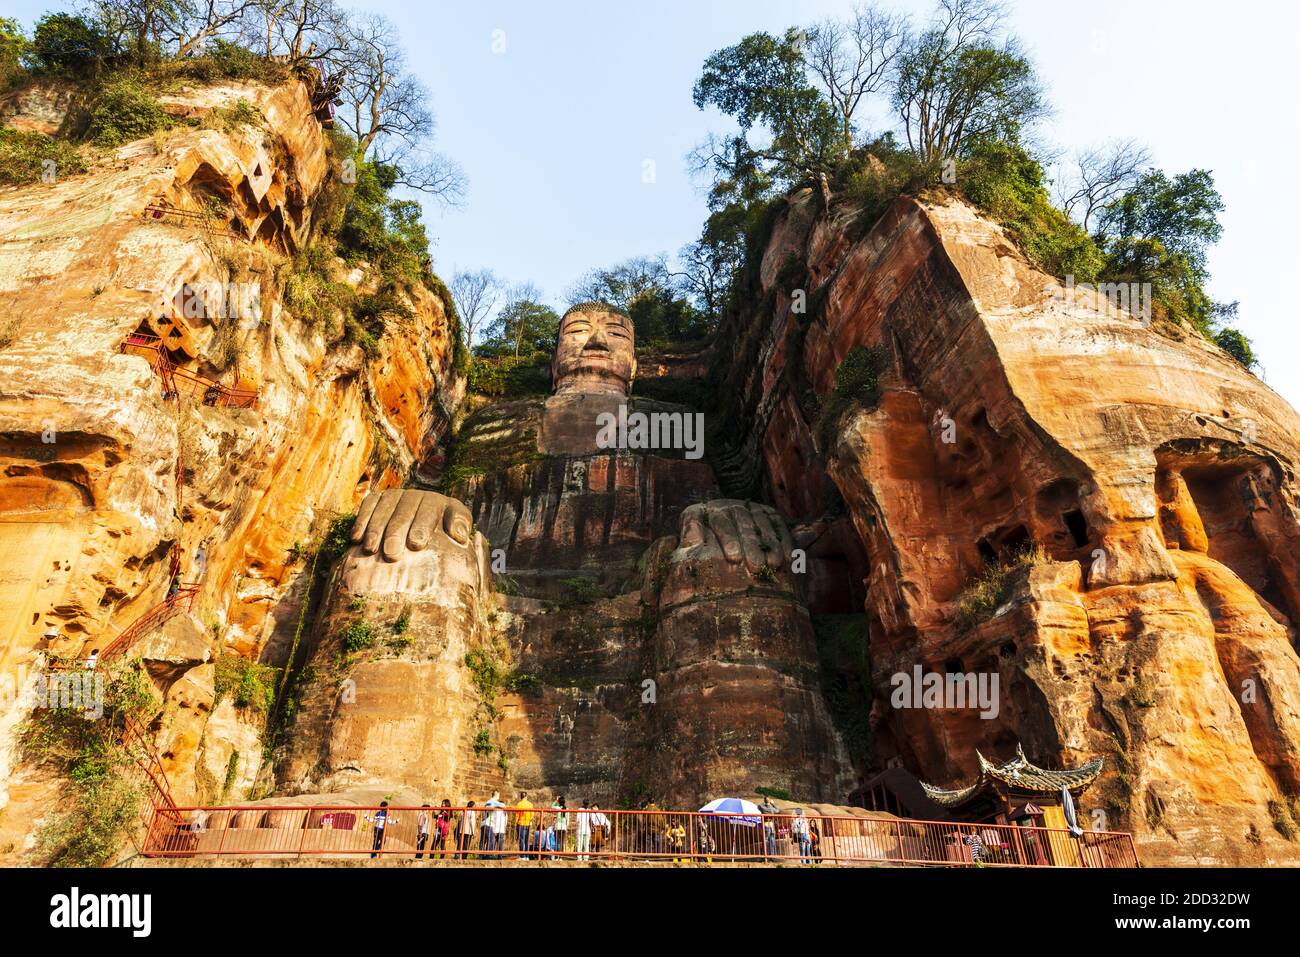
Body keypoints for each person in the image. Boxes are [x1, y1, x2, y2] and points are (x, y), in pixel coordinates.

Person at [757, 794, 779, 859]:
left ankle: (764, 857)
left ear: (764, 801)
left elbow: (758, 806)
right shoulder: (772, 808)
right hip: (772, 826)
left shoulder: (762, 807)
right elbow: (777, 810)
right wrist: (772, 804)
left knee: (765, 841)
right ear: (769, 801)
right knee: (772, 841)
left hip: (766, 825)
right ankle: (772, 857)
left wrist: (765, 802)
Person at [515, 791, 534, 859]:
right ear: (526, 796)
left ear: (521, 797)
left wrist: (516, 823)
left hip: (521, 823)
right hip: (528, 823)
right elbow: (532, 815)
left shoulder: (519, 804)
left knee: (521, 840)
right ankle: (526, 856)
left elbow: (517, 815)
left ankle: (522, 855)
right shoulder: (530, 804)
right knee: (526, 840)